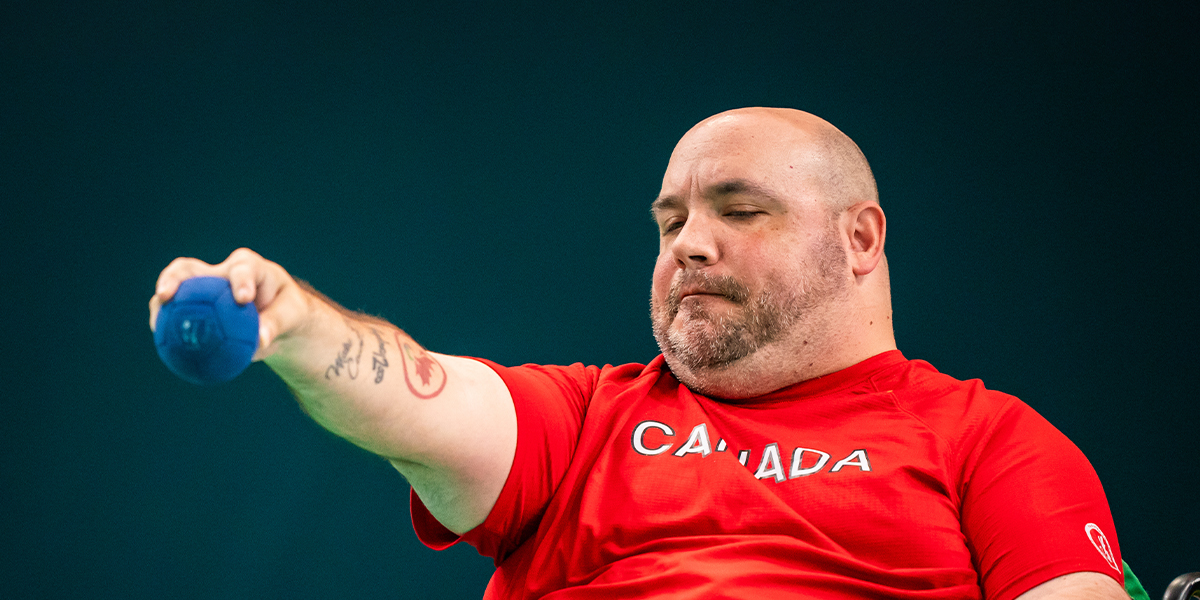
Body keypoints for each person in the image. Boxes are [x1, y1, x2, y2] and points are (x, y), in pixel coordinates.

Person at [150, 108, 1128, 599]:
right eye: (670, 222)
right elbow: (417, 399)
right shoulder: (584, 420)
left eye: (738, 210)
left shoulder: (993, 443)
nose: (689, 244)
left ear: (860, 240)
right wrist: (295, 325)